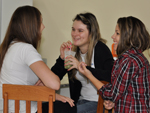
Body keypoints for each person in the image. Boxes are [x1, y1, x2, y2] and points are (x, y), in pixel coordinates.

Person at [78, 16, 150, 113]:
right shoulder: (135, 58)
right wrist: (114, 101)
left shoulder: (129, 61)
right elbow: (121, 90)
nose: (113, 36)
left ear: (128, 37)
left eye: (117, 33)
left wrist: (89, 75)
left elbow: (111, 94)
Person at [0, 6, 61, 113]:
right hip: (25, 109)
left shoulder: (9, 47)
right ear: (31, 26)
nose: (43, 27)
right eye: (40, 22)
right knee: (68, 106)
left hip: (8, 109)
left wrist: (42, 81)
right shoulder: (26, 49)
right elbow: (55, 84)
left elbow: (22, 83)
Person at [51, 12, 114, 113]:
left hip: (99, 103)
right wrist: (62, 58)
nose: (75, 34)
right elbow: (53, 79)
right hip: (80, 101)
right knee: (49, 107)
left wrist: (82, 67)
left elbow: (111, 76)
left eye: (80, 30)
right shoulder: (73, 52)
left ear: (91, 33)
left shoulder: (101, 49)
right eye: (73, 29)